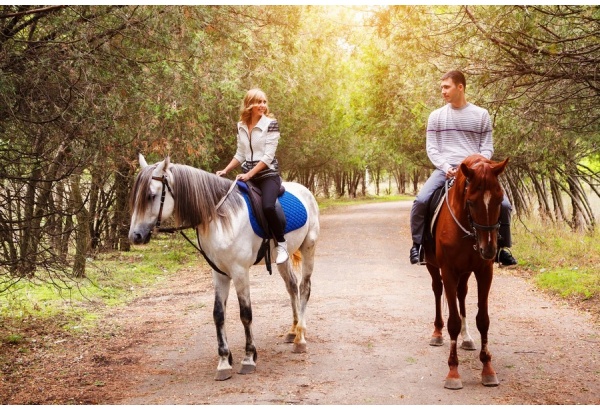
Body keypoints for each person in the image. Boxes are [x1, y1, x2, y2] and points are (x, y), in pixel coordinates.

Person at [409, 70, 517, 266]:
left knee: (504, 205)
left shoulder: (481, 115)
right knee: (421, 200)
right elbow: (432, 148)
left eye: (446, 87)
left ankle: (502, 249)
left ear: (460, 87)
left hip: (475, 172)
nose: (443, 91)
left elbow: (487, 146)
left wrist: (478, 166)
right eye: (441, 87)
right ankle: (418, 246)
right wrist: (445, 167)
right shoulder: (436, 116)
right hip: (446, 169)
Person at [216, 88, 288, 264]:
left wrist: (248, 174)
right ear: (249, 104)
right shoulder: (240, 125)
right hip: (247, 175)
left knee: (268, 207)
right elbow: (240, 154)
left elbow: (268, 157)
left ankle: (282, 244)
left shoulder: (271, 124)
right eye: (258, 102)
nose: (262, 105)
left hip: (267, 175)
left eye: (264, 102)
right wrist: (225, 170)